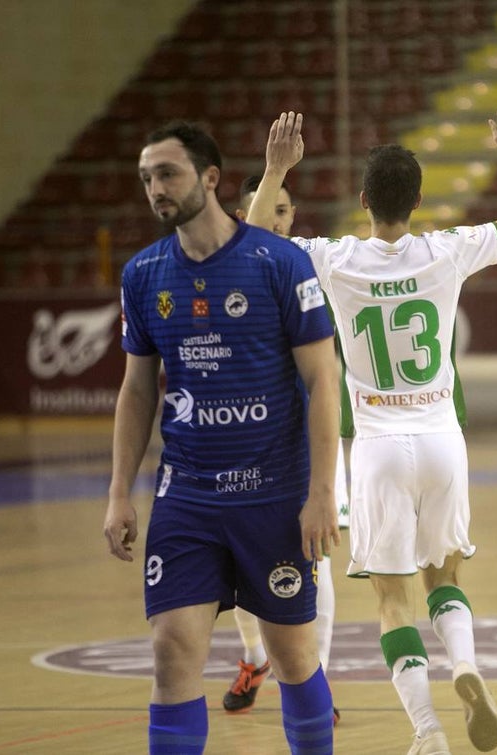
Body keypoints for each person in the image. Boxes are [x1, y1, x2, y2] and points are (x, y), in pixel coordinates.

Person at [248, 108, 497, 755]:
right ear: (417, 201)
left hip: (377, 445)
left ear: (362, 201)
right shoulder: (446, 249)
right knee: (447, 579)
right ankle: (465, 664)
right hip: (442, 436)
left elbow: (252, 245)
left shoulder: (337, 258)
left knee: (391, 602)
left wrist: (276, 169)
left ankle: (429, 731)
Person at [102, 120, 341, 755]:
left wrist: (323, 494)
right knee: (171, 649)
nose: (156, 188)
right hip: (188, 497)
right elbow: (136, 391)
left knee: (293, 655)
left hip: (274, 495)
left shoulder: (280, 264)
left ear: (209, 178)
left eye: (168, 173)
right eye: (147, 177)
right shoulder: (144, 274)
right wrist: (119, 493)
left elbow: (324, 380)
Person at [211, 176, 350, 720]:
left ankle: (321, 680)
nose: (277, 219)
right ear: (242, 217)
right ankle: (253, 659)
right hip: (240, 439)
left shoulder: (311, 262)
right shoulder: (218, 271)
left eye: (286, 210)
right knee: (239, 564)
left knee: (318, 560)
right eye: (266, 210)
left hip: (304, 437)